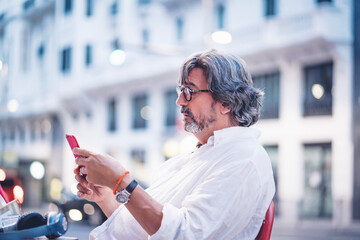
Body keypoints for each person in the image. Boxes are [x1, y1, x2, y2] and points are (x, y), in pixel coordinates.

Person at [73, 49, 275, 240]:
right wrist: (107, 196)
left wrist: (121, 182)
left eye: (189, 91)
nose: (179, 101)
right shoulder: (199, 156)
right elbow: (147, 229)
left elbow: (184, 234)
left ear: (226, 103)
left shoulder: (243, 158)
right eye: (181, 90)